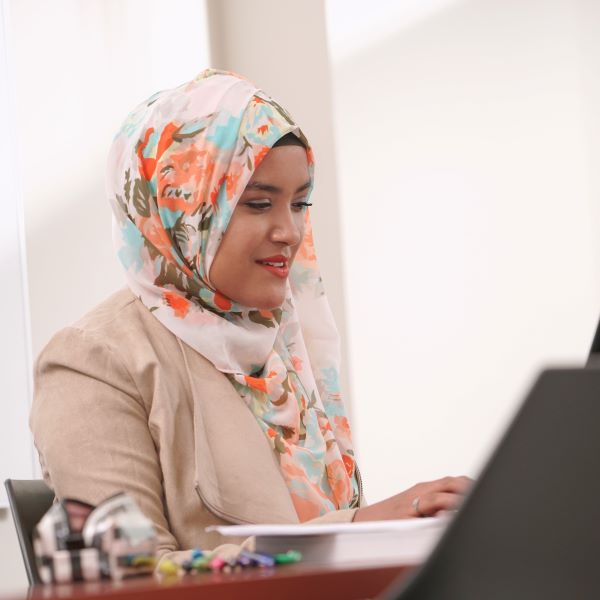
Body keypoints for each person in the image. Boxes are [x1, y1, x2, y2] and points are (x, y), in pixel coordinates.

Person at [30, 69, 470, 564]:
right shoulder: (94, 362)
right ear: (183, 209)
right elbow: (128, 578)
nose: (290, 231)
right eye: (259, 203)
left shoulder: (276, 351)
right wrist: (360, 527)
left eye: (300, 203)